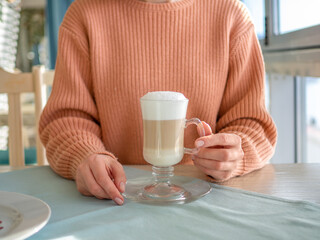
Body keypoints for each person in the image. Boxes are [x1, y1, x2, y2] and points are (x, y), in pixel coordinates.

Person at [39, 0, 277, 205]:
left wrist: (237, 153)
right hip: (113, 200)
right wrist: (85, 155)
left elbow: (252, 122)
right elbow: (66, 119)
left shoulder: (232, 15)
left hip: (208, 200)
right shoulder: (84, 15)